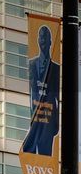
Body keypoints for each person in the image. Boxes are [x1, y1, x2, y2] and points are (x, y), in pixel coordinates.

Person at [23, 24, 62, 156]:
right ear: (38, 40)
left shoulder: (56, 68)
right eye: (41, 38)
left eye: (46, 38)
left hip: (48, 121)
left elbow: (58, 97)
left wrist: (56, 123)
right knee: (30, 154)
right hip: (34, 119)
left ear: (51, 41)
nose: (43, 41)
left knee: (45, 156)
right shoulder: (31, 64)